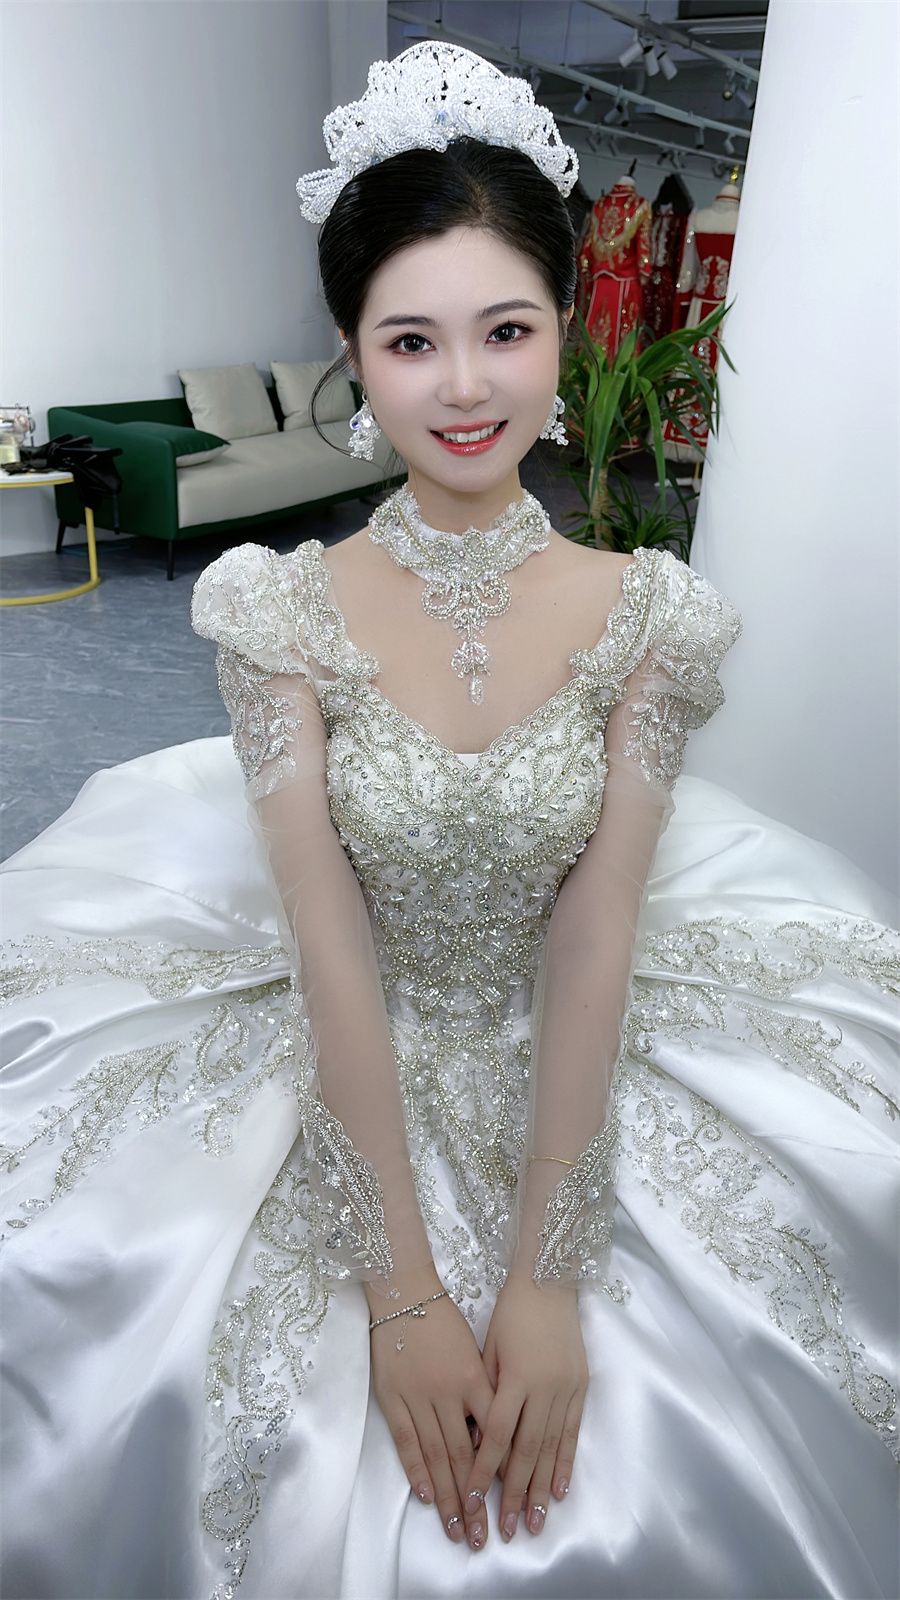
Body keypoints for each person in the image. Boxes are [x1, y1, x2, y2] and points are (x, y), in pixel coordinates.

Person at [1, 43, 897, 1600]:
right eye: (412, 340)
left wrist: (548, 1278)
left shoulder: (649, 613)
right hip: (347, 1027)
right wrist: (404, 1291)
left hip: (572, 1037)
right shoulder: (277, 609)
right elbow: (325, 932)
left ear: (567, 330)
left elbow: (598, 927)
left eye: (507, 330)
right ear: (354, 355)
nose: (466, 386)